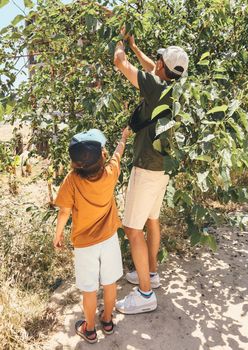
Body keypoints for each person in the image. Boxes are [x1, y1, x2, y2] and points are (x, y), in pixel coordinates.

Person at [114, 34, 189, 314]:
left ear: (161, 65)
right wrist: (135, 46)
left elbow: (120, 63)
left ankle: (145, 294)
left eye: (157, 61)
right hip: (163, 168)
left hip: (146, 166)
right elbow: (149, 69)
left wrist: (120, 41)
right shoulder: (173, 89)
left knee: (133, 228)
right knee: (152, 220)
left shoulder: (156, 87)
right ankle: (152, 274)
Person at [53, 127, 131, 343]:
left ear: (75, 163)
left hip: (85, 244)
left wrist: (57, 236)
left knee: (89, 290)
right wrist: (123, 137)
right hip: (109, 239)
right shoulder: (110, 173)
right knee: (110, 284)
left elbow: (64, 211)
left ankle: (88, 329)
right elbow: (118, 154)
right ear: (101, 156)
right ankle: (107, 320)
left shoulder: (72, 180)